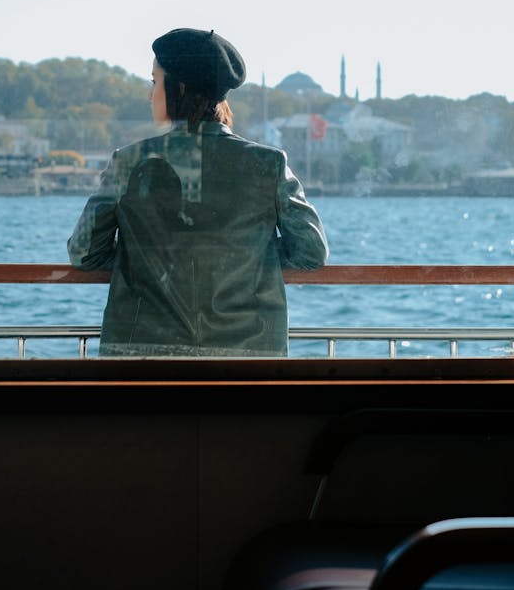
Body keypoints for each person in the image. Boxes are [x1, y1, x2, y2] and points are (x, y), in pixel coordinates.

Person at [67, 28, 328, 356]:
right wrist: (251, 252)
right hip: (248, 366)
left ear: (179, 87)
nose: (150, 95)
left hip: (139, 366)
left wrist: (140, 253)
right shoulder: (269, 164)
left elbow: (84, 252)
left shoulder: (129, 163)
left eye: (154, 82)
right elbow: (310, 253)